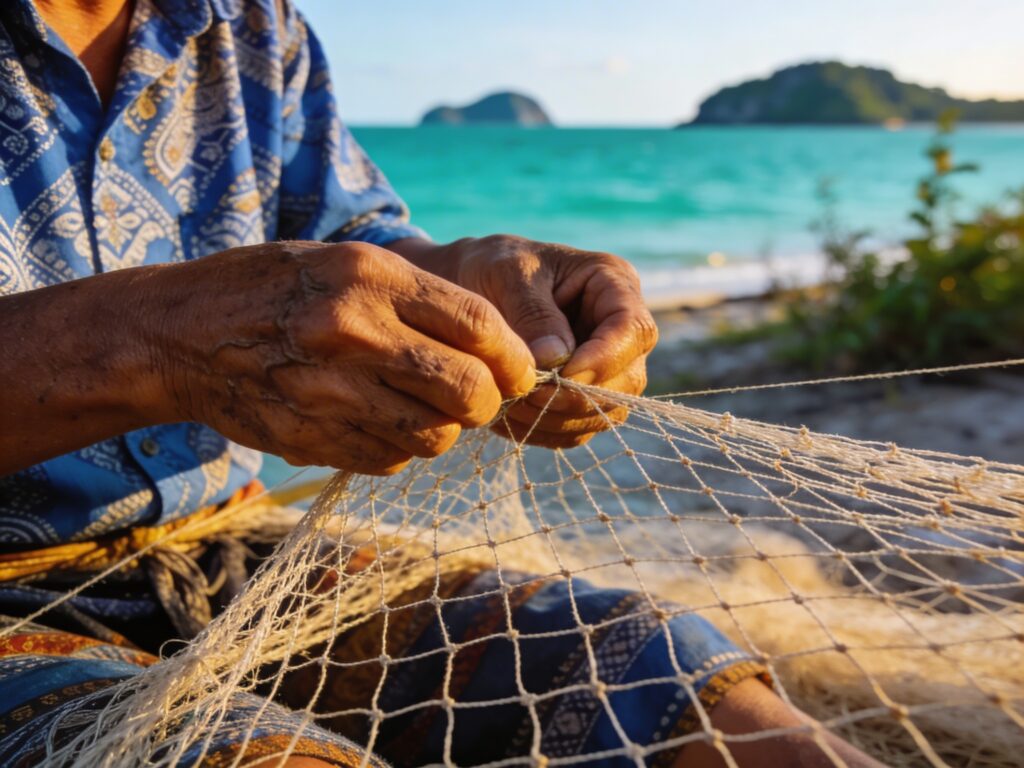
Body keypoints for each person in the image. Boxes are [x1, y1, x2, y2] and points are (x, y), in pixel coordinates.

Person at [0, 1, 883, 766]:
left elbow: (351, 240)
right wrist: (151, 337)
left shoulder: (252, 26)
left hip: (232, 555)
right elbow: (210, 314)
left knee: (668, 672)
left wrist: (475, 284)